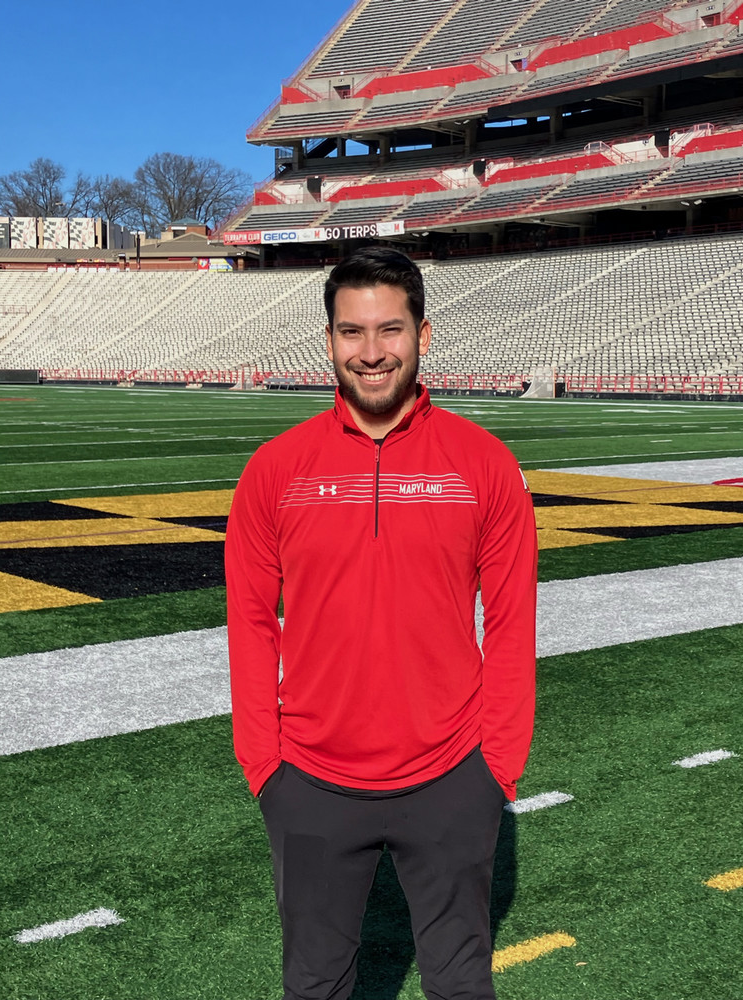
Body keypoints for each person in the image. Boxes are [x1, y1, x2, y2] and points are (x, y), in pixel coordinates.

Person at [225, 247, 537, 1000]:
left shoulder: (484, 463)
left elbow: (512, 621)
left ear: (423, 337)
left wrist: (495, 765)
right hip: (309, 780)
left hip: (451, 776)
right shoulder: (275, 469)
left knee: (461, 983)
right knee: (315, 985)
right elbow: (248, 621)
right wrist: (265, 765)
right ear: (329, 341)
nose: (371, 353)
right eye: (351, 332)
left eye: (390, 330)